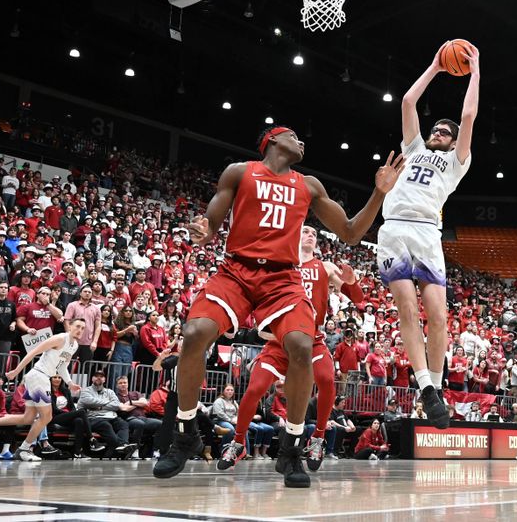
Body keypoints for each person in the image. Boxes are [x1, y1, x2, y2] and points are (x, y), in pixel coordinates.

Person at [154, 129, 403, 488]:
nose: (302, 141)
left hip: (282, 279)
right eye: (294, 135)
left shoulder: (309, 185)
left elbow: (349, 232)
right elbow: (212, 219)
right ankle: (185, 433)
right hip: (236, 271)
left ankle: (291, 448)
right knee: (194, 335)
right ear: (272, 140)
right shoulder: (240, 172)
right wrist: (205, 229)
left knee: (302, 345)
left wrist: (379, 193)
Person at [379, 42, 479, 429]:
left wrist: (475, 73)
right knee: (406, 306)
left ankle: (434, 388)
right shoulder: (415, 148)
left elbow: (468, 115)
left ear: (454, 143)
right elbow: (407, 102)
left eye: (445, 131)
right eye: (436, 128)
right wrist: (436, 67)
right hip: (394, 229)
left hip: (427, 233)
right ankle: (424, 385)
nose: (438, 131)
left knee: (438, 317)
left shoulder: (456, 163)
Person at [0, 320, 85, 461]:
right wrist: (16, 371)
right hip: (38, 376)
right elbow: (33, 352)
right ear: (70, 326)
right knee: (46, 416)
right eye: (77, 326)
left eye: (83, 328)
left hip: (43, 378)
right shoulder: (59, 338)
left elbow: (62, 366)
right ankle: (25, 449)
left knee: (29, 418)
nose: (80, 330)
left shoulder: (74, 345)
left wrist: (70, 383)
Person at [77, 370, 138, 460]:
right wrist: (108, 403)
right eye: (96, 376)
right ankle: (122, 445)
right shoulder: (86, 391)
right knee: (105, 425)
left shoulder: (110, 391)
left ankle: (120, 448)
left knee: (123, 424)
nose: (98, 378)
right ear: (92, 378)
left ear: (104, 379)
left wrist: (99, 407)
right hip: (94, 418)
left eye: (101, 376)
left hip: (111, 417)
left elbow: (116, 404)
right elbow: (89, 401)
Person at [48, 374, 105, 459]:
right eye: (55, 377)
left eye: (59, 377)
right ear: (50, 379)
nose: (57, 379)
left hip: (68, 417)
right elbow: (54, 409)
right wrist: (69, 414)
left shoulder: (65, 391)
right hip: (56, 417)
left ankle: (77, 452)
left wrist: (72, 414)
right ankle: (92, 440)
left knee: (79, 421)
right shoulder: (48, 391)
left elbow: (72, 407)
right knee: (81, 412)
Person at [115, 375, 162, 457]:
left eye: (125, 382)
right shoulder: (115, 396)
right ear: (117, 385)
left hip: (143, 417)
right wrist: (137, 404)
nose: (123, 384)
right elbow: (124, 409)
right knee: (139, 424)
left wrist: (131, 402)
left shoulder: (135, 393)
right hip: (129, 419)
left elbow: (145, 403)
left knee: (160, 423)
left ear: (128, 384)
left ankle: (155, 450)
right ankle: (135, 449)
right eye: (120, 383)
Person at [63, 285, 101, 365]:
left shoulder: (96, 308)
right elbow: (66, 321)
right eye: (85, 291)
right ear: (80, 293)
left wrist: (95, 341)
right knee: (68, 366)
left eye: (89, 292)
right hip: (73, 341)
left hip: (88, 343)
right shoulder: (72, 305)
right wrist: (69, 337)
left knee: (86, 369)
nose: (87, 293)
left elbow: (98, 326)